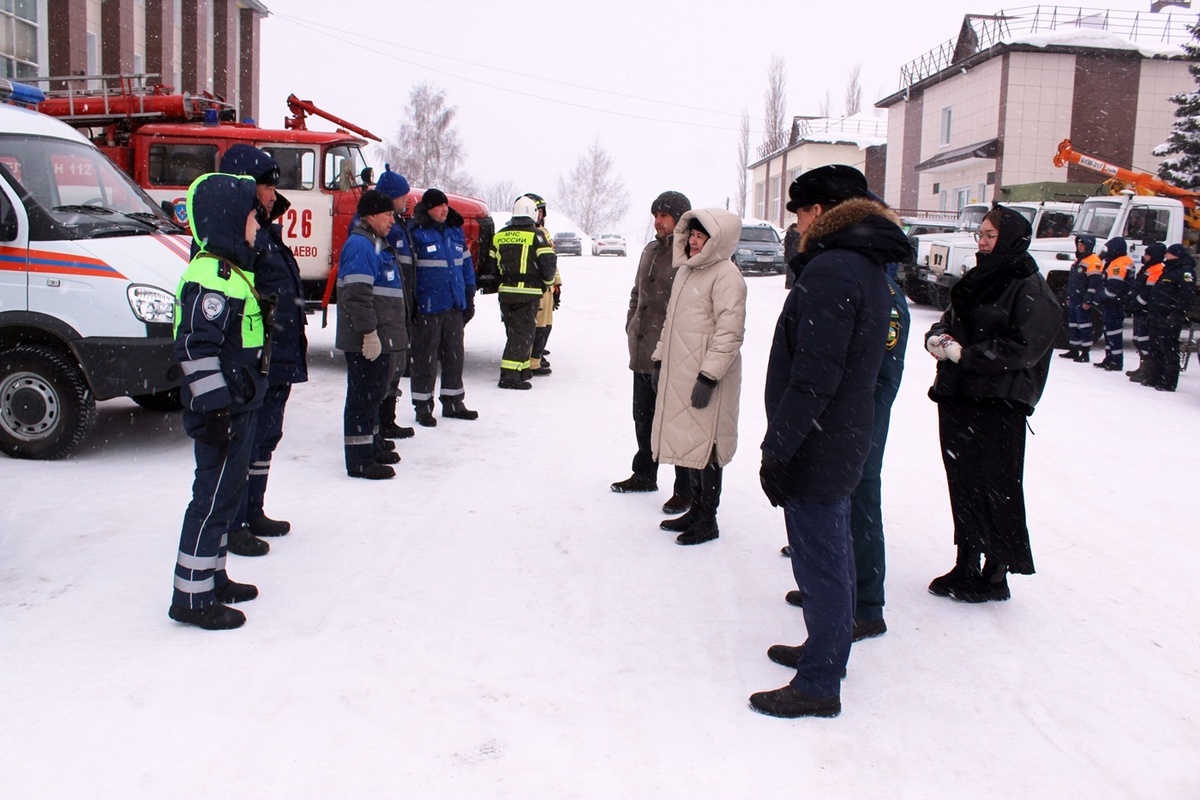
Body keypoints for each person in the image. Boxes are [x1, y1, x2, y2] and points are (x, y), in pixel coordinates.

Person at [751, 165, 908, 719]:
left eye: (799, 211)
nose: (795, 224)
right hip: (837, 433)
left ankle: (819, 684)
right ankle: (823, 648)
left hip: (819, 439)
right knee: (829, 555)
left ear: (819, 212)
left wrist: (778, 448)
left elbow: (814, 376)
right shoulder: (860, 264)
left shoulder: (834, 269)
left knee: (822, 560)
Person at [924, 205, 1061, 605]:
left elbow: (1025, 347)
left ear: (1012, 239)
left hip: (999, 402)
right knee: (964, 482)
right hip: (959, 396)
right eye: (980, 235)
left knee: (996, 487)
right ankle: (966, 562)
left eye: (990, 236)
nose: (982, 242)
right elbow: (950, 318)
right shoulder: (976, 279)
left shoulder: (1029, 286)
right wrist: (939, 337)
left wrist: (968, 356)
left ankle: (996, 572)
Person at [168, 173, 267, 630]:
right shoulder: (212, 276)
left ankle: (213, 576)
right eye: (251, 217)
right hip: (221, 412)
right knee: (209, 503)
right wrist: (216, 410)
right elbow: (195, 347)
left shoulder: (230, 271)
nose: (257, 226)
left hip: (237, 405)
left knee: (225, 498)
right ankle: (191, 598)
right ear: (229, 219)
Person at [216, 145, 308, 559]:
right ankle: (232, 523)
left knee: (266, 437)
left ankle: (253, 510)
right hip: (255, 357)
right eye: (268, 187)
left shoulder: (265, 230)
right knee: (245, 442)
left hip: (278, 354)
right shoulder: (235, 234)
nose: (274, 195)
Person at [650, 208, 746, 546]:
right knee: (690, 442)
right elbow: (670, 323)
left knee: (709, 448)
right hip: (681, 374)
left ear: (717, 240)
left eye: (701, 236)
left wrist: (708, 377)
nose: (692, 241)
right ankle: (695, 509)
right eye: (691, 234)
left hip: (709, 380)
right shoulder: (687, 271)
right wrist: (660, 359)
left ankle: (708, 518)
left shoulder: (727, 276)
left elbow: (730, 333)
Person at [611, 190, 694, 516]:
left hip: (672, 356)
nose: (658, 221)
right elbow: (637, 293)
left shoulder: (688, 253)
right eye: (655, 215)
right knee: (643, 417)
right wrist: (631, 322)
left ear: (680, 217)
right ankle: (645, 474)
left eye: (664, 215)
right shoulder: (650, 250)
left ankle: (685, 489)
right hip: (642, 350)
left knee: (674, 423)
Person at [336, 189, 408, 479]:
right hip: (366, 340)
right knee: (363, 399)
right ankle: (360, 460)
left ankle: (372, 446)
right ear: (370, 216)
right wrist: (369, 333)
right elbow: (357, 295)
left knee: (375, 395)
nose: (392, 220)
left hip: (382, 338)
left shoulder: (376, 244)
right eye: (387, 214)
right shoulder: (360, 246)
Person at [406, 188, 478, 425]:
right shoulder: (416, 233)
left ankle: (454, 402)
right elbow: (409, 274)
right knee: (425, 359)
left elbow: (466, 268)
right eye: (439, 205)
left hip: (453, 306)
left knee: (454, 358)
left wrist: (469, 297)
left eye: (446, 205)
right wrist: (412, 305)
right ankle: (423, 407)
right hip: (428, 308)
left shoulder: (455, 232)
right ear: (428, 208)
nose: (445, 209)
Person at [491, 195, 557, 389]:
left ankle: (522, 370)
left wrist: (503, 281)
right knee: (522, 335)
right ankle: (509, 376)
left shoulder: (500, 235)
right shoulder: (537, 235)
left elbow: (491, 265)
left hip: (506, 294)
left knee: (513, 332)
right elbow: (548, 264)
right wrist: (547, 284)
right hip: (528, 293)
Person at [372, 167, 418, 441]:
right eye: (403, 195)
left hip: (400, 305)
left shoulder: (399, 224)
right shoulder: (384, 229)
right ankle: (379, 424)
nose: (408, 200)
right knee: (386, 367)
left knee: (396, 364)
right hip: (387, 309)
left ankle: (386, 420)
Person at [1141, 243, 1197, 392]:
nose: (1166, 255)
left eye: (1169, 253)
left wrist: (1176, 313)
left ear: (1176, 254)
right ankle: (1155, 377)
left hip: (1169, 316)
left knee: (1168, 349)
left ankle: (1169, 382)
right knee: (1155, 347)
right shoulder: (1169, 269)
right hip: (1158, 314)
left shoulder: (1185, 272)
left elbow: (1187, 295)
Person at [523, 193, 560, 377]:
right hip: (536, 287)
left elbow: (552, 261)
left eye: (541, 211)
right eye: (536, 210)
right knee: (535, 325)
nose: (539, 214)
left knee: (546, 325)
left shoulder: (544, 232)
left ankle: (536, 356)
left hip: (548, 287)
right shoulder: (529, 233)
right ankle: (531, 361)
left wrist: (557, 283)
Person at [1126, 242, 1166, 381]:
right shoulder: (1147, 268)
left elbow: (1148, 292)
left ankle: (1147, 370)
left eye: (1147, 254)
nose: (1145, 257)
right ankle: (1142, 366)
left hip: (1145, 310)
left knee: (1144, 340)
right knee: (1138, 339)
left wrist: (1137, 303)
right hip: (1140, 310)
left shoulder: (1158, 269)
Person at [1093, 236, 1133, 371]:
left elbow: (1114, 288)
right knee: (1109, 331)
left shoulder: (1118, 263)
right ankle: (1109, 358)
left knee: (1113, 332)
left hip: (1114, 304)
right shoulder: (1119, 261)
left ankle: (1115, 361)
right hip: (1113, 303)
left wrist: (1101, 297)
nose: (1107, 251)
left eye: (1109, 248)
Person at [1060, 234, 1102, 363]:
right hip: (1074, 298)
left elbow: (1094, 284)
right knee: (1073, 325)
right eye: (1078, 245)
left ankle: (1085, 352)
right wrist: (1068, 296)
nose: (1080, 247)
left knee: (1085, 326)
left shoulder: (1094, 261)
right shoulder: (1078, 260)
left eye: (1082, 245)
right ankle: (1074, 349)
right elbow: (1072, 281)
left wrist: (1088, 300)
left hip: (1083, 300)